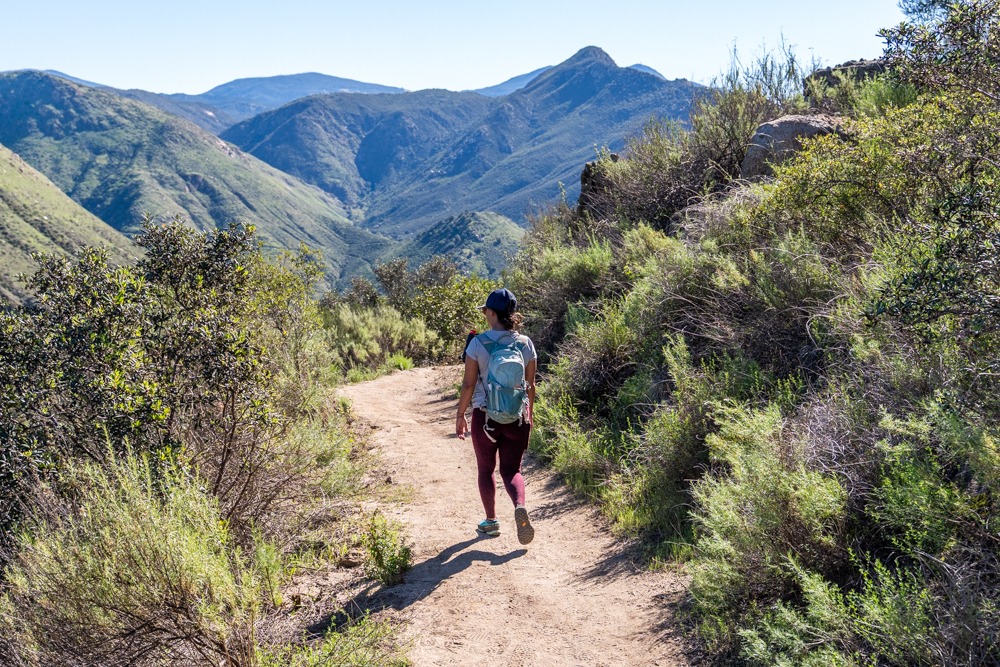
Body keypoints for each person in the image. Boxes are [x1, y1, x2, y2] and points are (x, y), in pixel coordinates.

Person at [456, 288, 537, 545]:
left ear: (491, 312)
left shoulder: (478, 343)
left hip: (485, 417)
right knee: (512, 469)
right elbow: (531, 385)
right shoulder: (525, 344)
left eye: (486, 311)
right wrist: (529, 415)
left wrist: (460, 415)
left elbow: (468, 385)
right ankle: (519, 506)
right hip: (517, 416)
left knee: (485, 469)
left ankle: (491, 521)